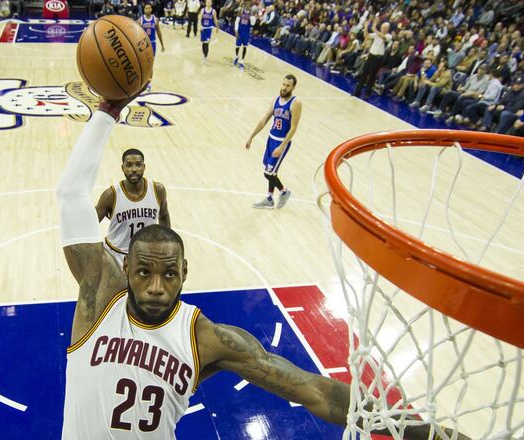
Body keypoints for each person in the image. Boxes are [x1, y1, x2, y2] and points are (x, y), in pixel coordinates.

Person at [57, 85, 470, 440]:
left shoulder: (205, 337)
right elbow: (71, 194)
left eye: (169, 274)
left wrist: (419, 430)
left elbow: (316, 392)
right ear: (126, 269)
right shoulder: (99, 300)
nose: (156, 287)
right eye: (144, 272)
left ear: (185, 274)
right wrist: (108, 111)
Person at [95, 148, 170, 269]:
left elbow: (164, 216)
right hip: (115, 255)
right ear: (122, 167)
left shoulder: (157, 190)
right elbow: (91, 223)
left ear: (144, 167)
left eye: (138, 165)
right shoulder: (111, 195)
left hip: (146, 255)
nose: (134, 169)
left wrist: (166, 243)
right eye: (129, 165)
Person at [245, 74, 302, 209]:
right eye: (283, 84)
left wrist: (282, 146)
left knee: (268, 173)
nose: (284, 88)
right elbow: (264, 120)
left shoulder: (296, 103)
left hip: (281, 142)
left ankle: (284, 192)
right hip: (271, 139)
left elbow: (293, 128)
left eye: (288, 86)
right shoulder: (276, 100)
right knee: (270, 171)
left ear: (293, 87)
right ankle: (269, 198)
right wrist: (251, 136)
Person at [233, 0, 254, 68]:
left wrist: (251, 15)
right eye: (246, 3)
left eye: (249, 3)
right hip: (240, 31)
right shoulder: (241, 10)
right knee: (237, 46)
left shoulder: (251, 12)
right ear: (245, 3)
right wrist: (236, 31)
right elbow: (237, 21)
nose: (247, 4)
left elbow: (253, 23)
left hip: (246, 32)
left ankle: (242, 61)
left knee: (245, 47)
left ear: (250, 4)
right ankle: (236, 56)